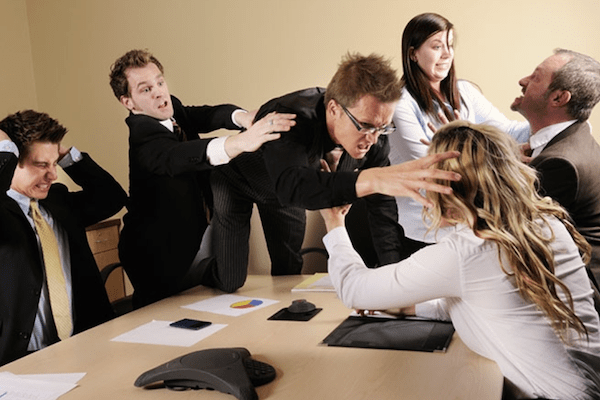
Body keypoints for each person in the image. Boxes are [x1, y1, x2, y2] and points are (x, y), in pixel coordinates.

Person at [321, 121, 600, 400]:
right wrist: (406, 307)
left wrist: (334, 222)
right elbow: (480, 303)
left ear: (443, 184)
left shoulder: (470, 250)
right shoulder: (545, 223)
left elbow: (353, 288)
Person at [209, 52, 461, 293]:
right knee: (230, 280)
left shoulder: (376, 133)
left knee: (289, 273)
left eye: (382, 127)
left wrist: (392, 276)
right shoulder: (289, 116)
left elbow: (381, 209)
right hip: (239, 182)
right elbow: (291, 186)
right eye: (365, 126)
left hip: (292, 192)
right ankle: (194, 271)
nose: (373, 139)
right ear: (333, 109)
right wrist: (369, 178)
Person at [109, 49, 295, 308]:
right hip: (155, 257)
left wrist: (242, 117)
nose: (159, 93)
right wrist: (241, 141)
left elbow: (205, 115)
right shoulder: (142, 138)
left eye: (160, 82)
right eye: (145, 90)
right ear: (128, 102)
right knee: (165, 324)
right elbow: (182, 155)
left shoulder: (169, 108)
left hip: (197, 238)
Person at [389, 12, 530, 248]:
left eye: (450, 45)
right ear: (413, 53)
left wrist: (550, 119)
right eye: (436, 46)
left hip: (471, 224)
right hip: (426, 231)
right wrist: (499, 154)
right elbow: (434, 166)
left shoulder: (465, 92)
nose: (447, 54)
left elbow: (509, 133)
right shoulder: (400, 104)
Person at [0, 110, 126, 366]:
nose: (53, 175)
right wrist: (3, 147)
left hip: (83, 345)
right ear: (13, 161)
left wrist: (67, 156)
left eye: (54, 163)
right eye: (41, 165)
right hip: (19, 361)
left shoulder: (58, 202)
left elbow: (112, 197)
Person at [510, 48, 600, 288]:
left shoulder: (560, 163)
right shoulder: (576, 137)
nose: (523, 80)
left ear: (559, 98)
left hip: (574, 298)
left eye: (535, 77)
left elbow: (508, 230)